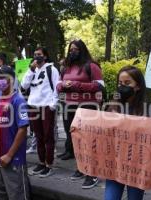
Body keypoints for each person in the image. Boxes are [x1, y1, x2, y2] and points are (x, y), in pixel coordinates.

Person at [56, 39, 104, 189]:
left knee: (88, 140)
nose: (72, 52)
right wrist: (63, 85)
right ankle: (81, 167)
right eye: (70, 50)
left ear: (82, 50)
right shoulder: (66, 68)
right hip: (68, 107)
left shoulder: (91, 66)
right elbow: (57, 85)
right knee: (75, 139)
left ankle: (92, 173)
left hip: (87, 107)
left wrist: (78, 85)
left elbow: (100, 85)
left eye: (76, 49)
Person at [0, 66, 31, 200]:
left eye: (2, 77)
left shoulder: (18, 101)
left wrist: (9, 155)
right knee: (0, 194)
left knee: (17, 194)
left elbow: (23, 129)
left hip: (13, 159)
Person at [104, 66, 147, 200]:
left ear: (138, 86)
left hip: (137, 167)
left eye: (127, 83)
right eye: (120, 83)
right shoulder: (111, 107)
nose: (122, 87)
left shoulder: (147, 111)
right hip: (115, 165)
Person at [21, 47, 59, 177]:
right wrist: (31, 69)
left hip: (46, 106)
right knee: (38, 136)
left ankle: (49, 164)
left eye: (40, 54)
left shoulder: (51, 69)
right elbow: (24, 85)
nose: (37, 56)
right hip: (33, 106)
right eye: (35, 54)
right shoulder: (32, 70)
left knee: (48, 135)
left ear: (46, 56)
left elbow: (57, 87)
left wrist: (53, 105)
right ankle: (41, 162)